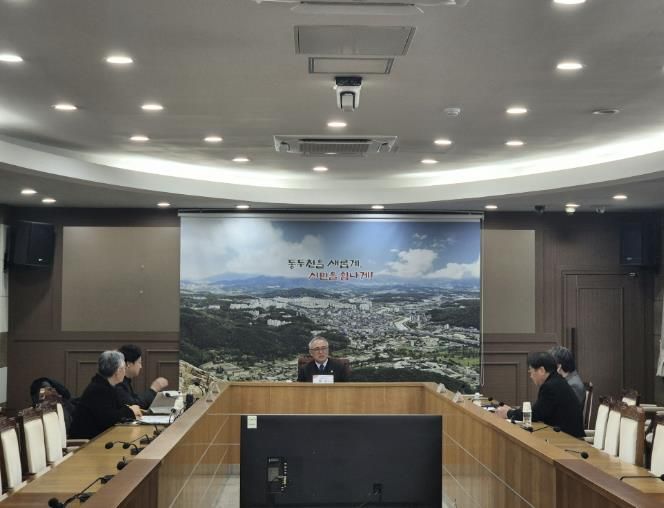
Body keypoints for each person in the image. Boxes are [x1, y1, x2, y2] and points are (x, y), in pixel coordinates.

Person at [495, 352, 584, 438]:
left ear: (541, 370)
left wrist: (508, 413)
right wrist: (512, 411)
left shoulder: (550, 386)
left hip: (568, 439)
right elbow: (539, 411)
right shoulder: (556, 381)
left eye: (531, 371)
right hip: (563, 434)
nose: (531, 376)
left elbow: (535, 415)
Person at [69, 351, 142, 439]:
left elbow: (115, 410)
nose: (124, 371)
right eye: (123, 368)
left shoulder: (105, 385)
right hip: (88, 441)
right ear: (117, 371)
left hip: (97, 437)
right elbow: (110, 419)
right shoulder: (99, 389)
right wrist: (131, 411)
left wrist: (130, 409)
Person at [116, 344, 169, 410]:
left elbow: (135, 399)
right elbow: (134, 405)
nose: (140, 366)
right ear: (128, 364)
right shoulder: (117, 383)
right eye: (139, 362)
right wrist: (153, 390)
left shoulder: (125, 380)